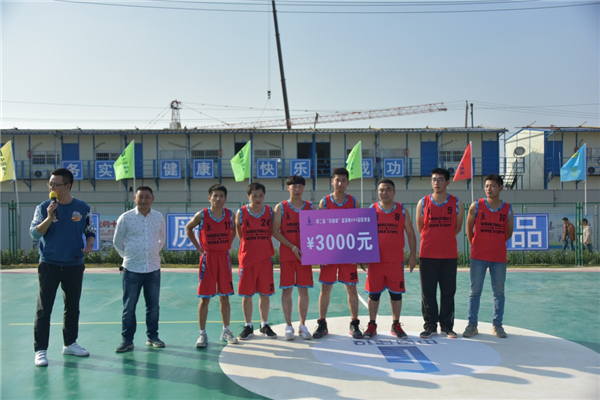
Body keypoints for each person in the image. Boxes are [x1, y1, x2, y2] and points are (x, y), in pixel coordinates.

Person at [29, 168, 96, 367]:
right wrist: (49, 217)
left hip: (74, 264)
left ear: (68, 186)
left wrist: (90, 244)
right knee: (44, 308)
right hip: (49, 264)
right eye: (50, 184)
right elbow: (35, 233)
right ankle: (41, 350)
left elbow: (90, 230)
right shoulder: (44, 207)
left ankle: (70, 343)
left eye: (55, 185)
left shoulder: (82, 207)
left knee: (72, 306)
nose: (52, 188)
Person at [113, 186, 166, 353]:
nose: (144, 200)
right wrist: (128, 256)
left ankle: (153, 336)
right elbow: (117, 241)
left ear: (153, 198)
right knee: (129, 306)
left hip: (153, 268)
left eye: (147, 197)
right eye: (140, 197)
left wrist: (151, 253)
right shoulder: (126, 217)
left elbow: (161, 238)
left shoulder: (158, 217)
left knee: (153, 306)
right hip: (131, 269)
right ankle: (127, 340)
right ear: (135, 198)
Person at [362, 179, 417, 339]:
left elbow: (411, 234)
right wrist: (363, 256)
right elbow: (364, 234)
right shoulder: (372, 209)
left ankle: (396, 324)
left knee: (396, 294)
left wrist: (412, 256)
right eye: (381, 190)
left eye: (387, 190)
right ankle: (372, 324)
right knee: (374, 294)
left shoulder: (402, 210)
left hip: (395, 261)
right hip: (375, 261)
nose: (384, 193)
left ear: (394, 192)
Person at [186, 184, 238, 348]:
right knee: (205, 298)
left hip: (223, 257)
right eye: (215, 195)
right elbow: (188, 228)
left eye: (221, 196)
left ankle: (226, 330)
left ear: (225, 199)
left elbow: (235, 229)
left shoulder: (229, 214)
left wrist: (228, 242)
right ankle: (202, 333)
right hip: (208, 258)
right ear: (209, 198)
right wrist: (198, 248)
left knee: (225, 297)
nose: (218, 198)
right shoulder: (202, 215)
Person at [313, 167, 363, 339]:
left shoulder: (354, 202)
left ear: (347, 182)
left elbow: (358, 228)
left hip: (348, 252)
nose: (340, 183)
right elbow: (319, 229)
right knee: (326, 288)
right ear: (332, 181)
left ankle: (354, 323)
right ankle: (322, 323)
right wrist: (321, 253)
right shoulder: (325, 202)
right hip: (330, 252)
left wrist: (357, 253)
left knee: (351, 288)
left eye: (343, 180)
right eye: (337, 180)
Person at [463, 174, 514, 339]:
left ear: (500, 188)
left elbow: (508, 233)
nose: (489, 189)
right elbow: (468, 229)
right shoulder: (476, 206)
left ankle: (497, 325)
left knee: (499, 292)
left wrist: (495, 243)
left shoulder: (508, 209)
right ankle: (472, 325)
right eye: (486, 186)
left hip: (498, 257)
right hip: (478, 256)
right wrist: (475, 244)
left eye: (492, 186)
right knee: (474, 292)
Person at [416, 168, 464, 339]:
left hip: (448, 255)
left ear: (448, 182)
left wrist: (444, 239)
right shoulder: (423, 202)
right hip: (428, 254)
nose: (436, 183)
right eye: (434, 180)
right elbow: (421, 228)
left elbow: (457, 228)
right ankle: (430, 325)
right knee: (428, 292)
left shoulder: (457, 203)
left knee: (448, 292)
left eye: (440, 180)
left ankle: (447, 326)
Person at [272, 175, 314, 340]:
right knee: (287, 290)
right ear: (288, 187)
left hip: (306, 255)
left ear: (304, 188)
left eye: (300, 186)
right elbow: (275, 231)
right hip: (287, 255)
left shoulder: (310, 207)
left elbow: (317, 229)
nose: (297, 190)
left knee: (304, 290)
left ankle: (302, 325)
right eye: (293, 186)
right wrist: (292, 247)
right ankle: (288, 325)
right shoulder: (281, 207)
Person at [236, 182, 277, 340]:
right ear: (248, 196)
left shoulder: (270, 212)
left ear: (264, 196)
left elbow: (271, 232)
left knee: (265, 294)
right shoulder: (241, 212)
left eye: (260, 196)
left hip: (265, 258)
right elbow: (240, 234)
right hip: (247, 259)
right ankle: (248, 325)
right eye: (254, 196)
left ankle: (264, 324)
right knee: (247, 295)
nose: (258, 199)